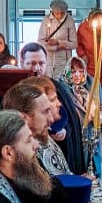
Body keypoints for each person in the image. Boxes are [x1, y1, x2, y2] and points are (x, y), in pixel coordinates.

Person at [21, 41, 86, 175]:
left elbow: (69, 120)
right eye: (32, 63)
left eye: (41, 63)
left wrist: (64, 131)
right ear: (22, 63)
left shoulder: (57, 88)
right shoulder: (17, 90)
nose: (37, 68)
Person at [65, 56, 102, 178]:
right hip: (74, 135)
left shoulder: (92, 84)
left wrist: (100, 117)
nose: (77, 75)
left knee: (93, 167)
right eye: (73, 71)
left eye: (81, 71)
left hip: (91, 134)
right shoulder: (62, 88)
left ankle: (93, 171)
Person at [40, 0, 77, 78]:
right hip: (49, 61)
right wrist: (55, 48)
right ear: (52, 11)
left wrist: (59, 42)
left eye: (62, 13)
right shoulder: (46, 20)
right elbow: (40, 42)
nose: (59, 15)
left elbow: (74, 44)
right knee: (49, 81)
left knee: (62, 82)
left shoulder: (69, 20)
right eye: (57, 13)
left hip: (64, 61)